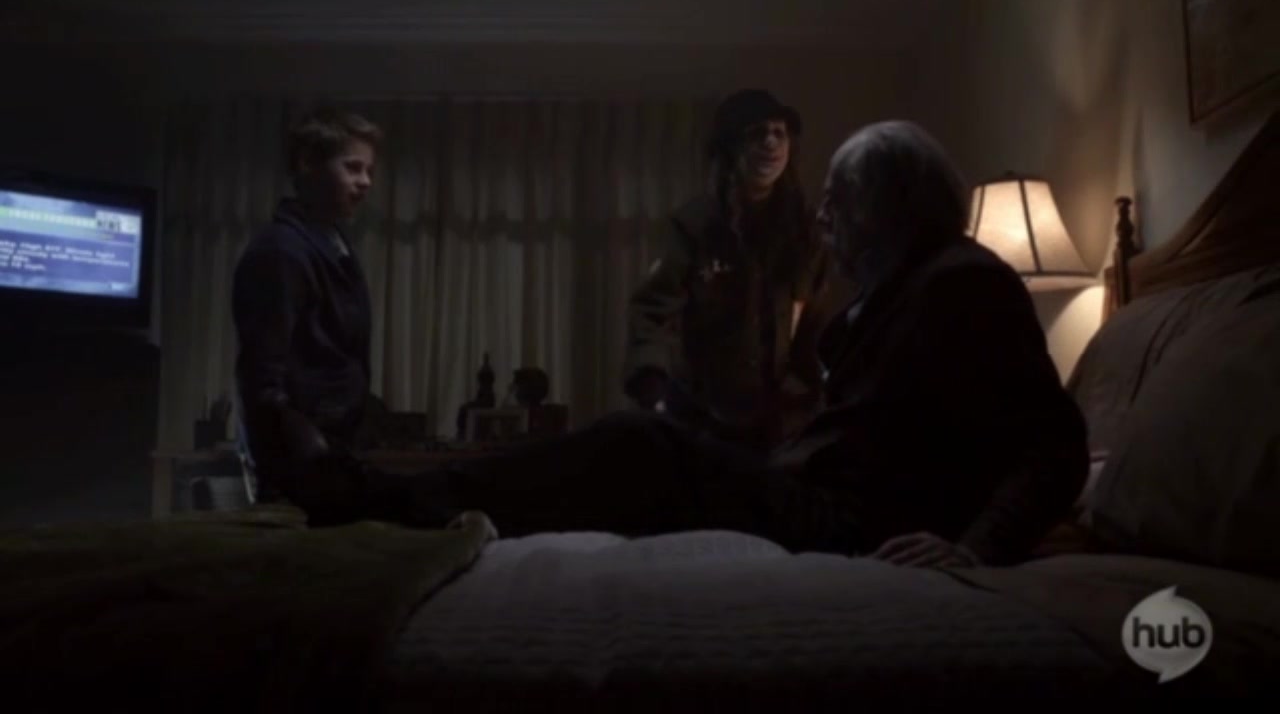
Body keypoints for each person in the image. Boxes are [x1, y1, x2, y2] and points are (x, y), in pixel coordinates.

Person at [285, 120, 1090, 567]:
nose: (824, 221)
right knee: (633, 455)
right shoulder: (900, 287)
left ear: (890, 204)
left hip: (846, 524)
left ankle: (388, 500)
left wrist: (975, 551)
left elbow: (1056, 443)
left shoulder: (964, 281)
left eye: (838, 202)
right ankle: (407, 505)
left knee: (637, 448)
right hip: (812, 491)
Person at [622, 89, 843, 449]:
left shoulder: (804, 231)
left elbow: (814, 324)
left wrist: (819, 391)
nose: (771, 143)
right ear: (730, 148)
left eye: (780, 133)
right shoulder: (693, 227)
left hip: (780, 425)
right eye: (757, 133)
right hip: (703, 422)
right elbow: (653, 312)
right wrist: (653, 388)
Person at [231, 107, 381, 507]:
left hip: (334, 455)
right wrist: (304, 451)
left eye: (369, 171)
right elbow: (263, 377)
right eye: (352, 168)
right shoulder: (281, 251)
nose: (365, 181)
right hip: (302, 470)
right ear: (307, 163)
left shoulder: (333, 242)